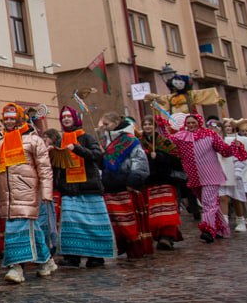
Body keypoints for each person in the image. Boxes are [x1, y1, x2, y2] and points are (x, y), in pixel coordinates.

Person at [0, 102, 55, 284]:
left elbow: (45, 168)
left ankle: (16, 267)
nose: (8, 122)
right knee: (31, 228)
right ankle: (46, 260)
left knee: (17, 229)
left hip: (27, 190)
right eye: (5, 118)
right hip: (6, 193)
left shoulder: (34, 140)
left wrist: (46, 192)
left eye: (12, 118)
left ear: (20, 118)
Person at [157, 111, 244, 243]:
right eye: (188, 123)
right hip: (194, 176)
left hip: (211, 174)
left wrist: (234, 147)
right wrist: (161, 126)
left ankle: (208, 230)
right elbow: (166, 141)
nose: (191, 125)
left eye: (193, 122)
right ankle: (221, 229)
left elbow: (224, 151)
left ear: (199, 123)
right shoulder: (181, 136)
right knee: (208, 204)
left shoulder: (210, 134)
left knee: (209, 204)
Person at [46, 106, 114, 268]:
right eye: (63, 117)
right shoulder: (60, 140)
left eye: (69, 116)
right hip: (69, 188)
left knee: (92, 224)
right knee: (71, 224)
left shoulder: (87, 137)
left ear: (76, 118)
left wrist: (77, 148)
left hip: (89, 187)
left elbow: (97, 156)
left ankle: (96, 256)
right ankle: (72, 256)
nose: (66, 119)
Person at [98, 112, 153, 259]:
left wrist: (132, 181)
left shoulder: (130, 140)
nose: (104, 127)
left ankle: (135, 248)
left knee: (128, 220)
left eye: (106, 124)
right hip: (109, 186)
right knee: (116, 221)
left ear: (116, 123)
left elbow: (139, 162)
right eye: (103, 125)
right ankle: (124, 246)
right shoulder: (104, 141)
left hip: (124, 185)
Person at [141, 115, 186, 250]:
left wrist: (160, 156)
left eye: (150, 124)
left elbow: (177, 159)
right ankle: (160, 235)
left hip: (164, 179)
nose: (147, 127)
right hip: (149, 181)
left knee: (167, 210)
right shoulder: (139, 143)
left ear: (154, 127)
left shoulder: (164, 142)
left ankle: (167, 236)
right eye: (145, 124)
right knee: (154, 211)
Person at [220, 119, 247, 234]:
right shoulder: (214, 140)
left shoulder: (239, 140)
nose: (228, 128)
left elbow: (245, 154)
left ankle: (241, 219)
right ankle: (224, 222)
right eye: (226, 126)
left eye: (230, 126)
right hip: (221, 172)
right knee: (223, 197)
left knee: (238, 197)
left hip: (237, 171)